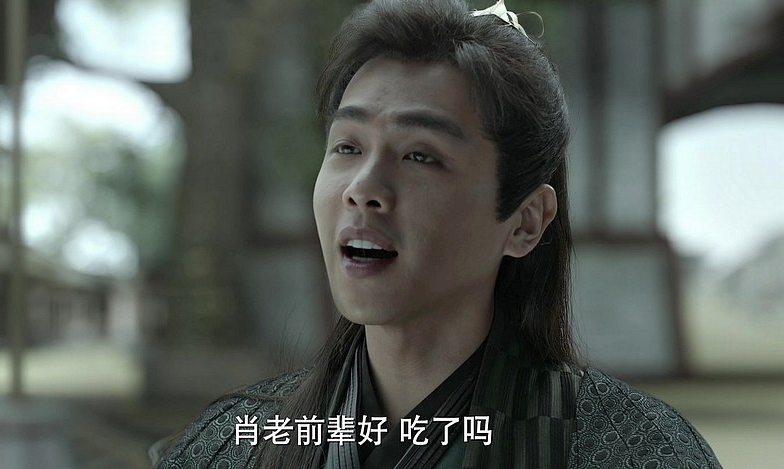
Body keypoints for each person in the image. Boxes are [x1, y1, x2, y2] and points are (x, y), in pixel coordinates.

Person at [153, 0, 721, 467]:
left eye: (420, 156)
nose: (363, 188)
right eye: (347, 147)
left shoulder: (630, 451)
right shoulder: (233, 446)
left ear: (526, 221)